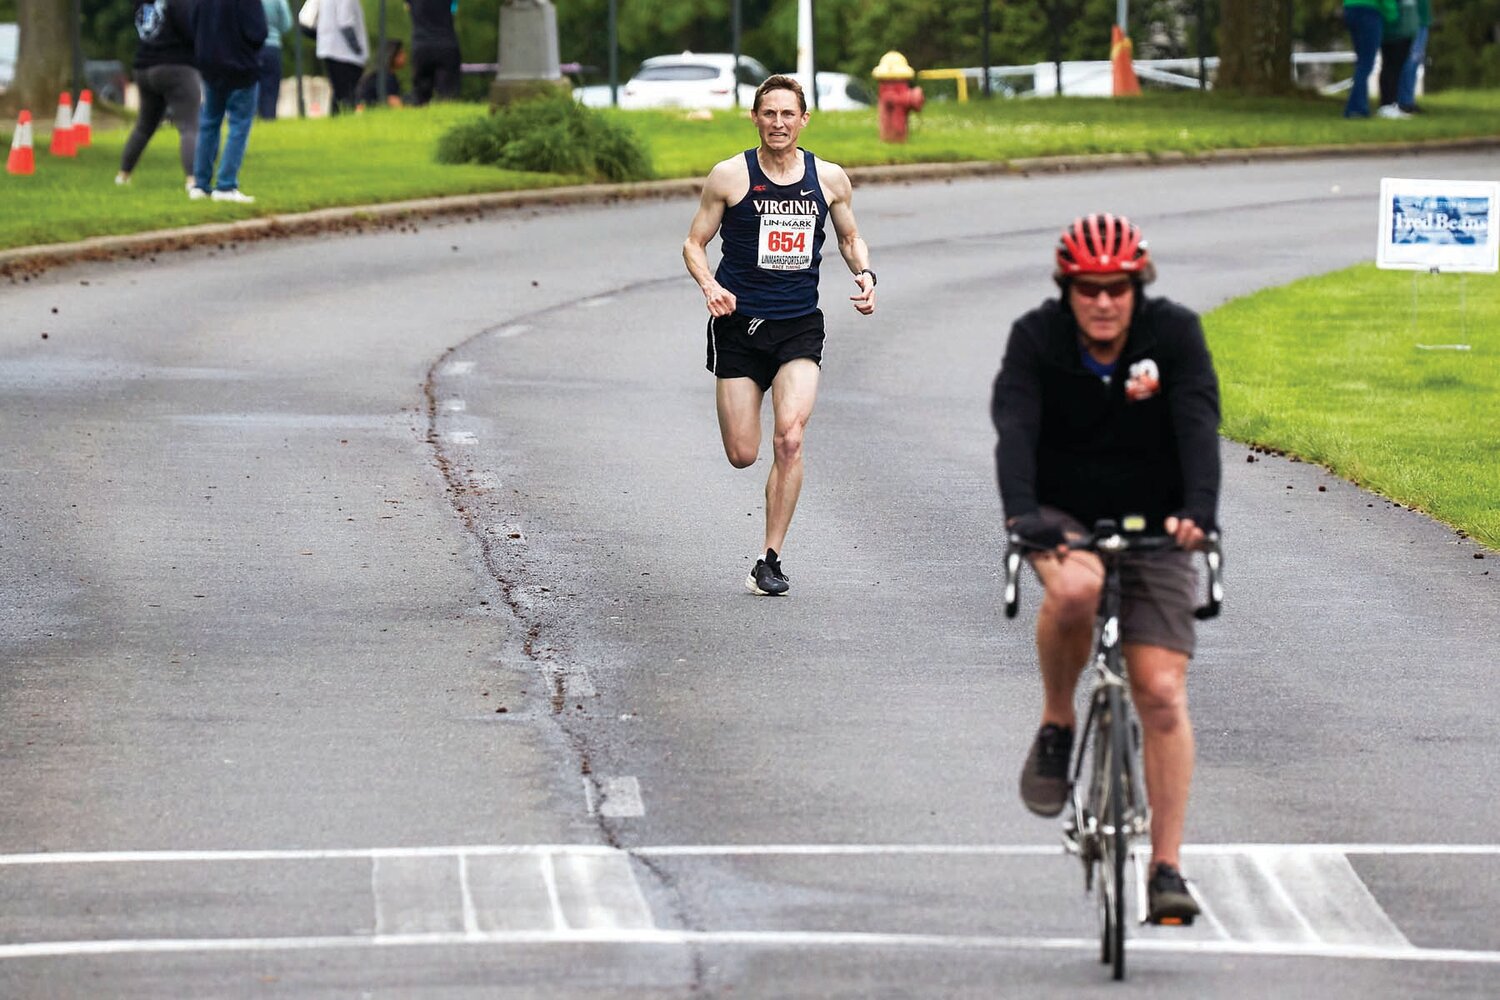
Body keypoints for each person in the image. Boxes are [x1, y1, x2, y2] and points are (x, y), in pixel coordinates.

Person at [992, 214, 1222, 924]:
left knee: (1159, 691)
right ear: (1068, 290)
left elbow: (1196, 423)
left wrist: (1198, 513)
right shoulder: (1037, 338)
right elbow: (1016, 429)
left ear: (1137, 287)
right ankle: (1059, 721)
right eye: (1088, 289)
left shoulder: (1174, 336)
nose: (1102, 302)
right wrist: (1022, 513)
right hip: (1060, 514)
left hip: (1157, 521)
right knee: (1080, 588)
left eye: (1116, 288)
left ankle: (1166, 867)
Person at [682, 74, 876, 597]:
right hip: (739, 328)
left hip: (798, 327)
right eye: (769, 113)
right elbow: (694, 243)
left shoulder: (829, 178)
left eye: (788, 114)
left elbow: (850, 236)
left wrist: (864, 274)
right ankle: (742, 412)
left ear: (804, 119)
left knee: (790, 437)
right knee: (743, 453)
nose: (778, 123)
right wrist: (709, 286)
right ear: (755, 117)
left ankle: (770, 559)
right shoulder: (729, 176)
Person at [117, 0, 202, 189]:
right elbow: (190, 30)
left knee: (144, 126)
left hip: (144, 67)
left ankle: (123, 175)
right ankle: (193, 180)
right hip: (177, 66)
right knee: (189, 126)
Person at [190, 0, 267, 203]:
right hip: (240, 65)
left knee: (209, 122)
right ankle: (225, 184)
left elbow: (193, 23)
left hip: (210, 64)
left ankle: (200, 184)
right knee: (239, 125)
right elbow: (258, 31)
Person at [1342, 0, 1394, 118]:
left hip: (1350, 8)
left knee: (1361, 62)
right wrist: (1392, 15)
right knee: (1366, 63)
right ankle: (1356, 108)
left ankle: (1360, 104)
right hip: (1370, 10)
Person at [315, 0, 368, 114]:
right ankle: (344, 118)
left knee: (338, 92)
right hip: (344, 53)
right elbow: (345, 22)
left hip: (330, 49)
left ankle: (336, 121)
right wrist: (357, 48)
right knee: (346, 93)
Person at [404, 0, 461, 105]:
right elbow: (455, 9)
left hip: (421, 45)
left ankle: (420, 113)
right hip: (447, 44)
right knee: (448, 94)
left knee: (420, 95)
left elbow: (407, 7)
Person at [1377, 0, 1421, 118]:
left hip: (1405, 31)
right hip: (1395, 31)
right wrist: (1393, 18)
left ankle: (1392, 104)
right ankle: (1387, 104)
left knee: (1395, 69)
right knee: (1391, 68)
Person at [256, 0, 293, 119]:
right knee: (270, 89)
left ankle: (252, 121)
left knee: (250, 87)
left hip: (252, 47)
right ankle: (268, 118)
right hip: (272, 46)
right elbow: (287, 24)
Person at [1396, 0, 1432, 114]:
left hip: (1420, 19)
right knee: (1411, 60)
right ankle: (1405, 102)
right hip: (1414, 20)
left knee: (1414, 61)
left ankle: (1407, 100)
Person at [356, 38, 406, 109]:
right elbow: (394, 102)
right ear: (392, 56)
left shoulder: (376, 75)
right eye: (401, 53)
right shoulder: (387, 78)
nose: (404, 56)